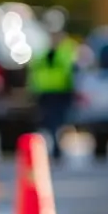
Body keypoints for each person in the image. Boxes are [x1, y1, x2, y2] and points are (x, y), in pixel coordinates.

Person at [27, 11, 79, 162]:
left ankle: (57, 148)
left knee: (59, 121)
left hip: (62, 90)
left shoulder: (67, 48)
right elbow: (35, 69)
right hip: (45, 91)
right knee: (50, 122)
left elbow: (72, 68)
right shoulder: (42, 47)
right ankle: (54, 148)